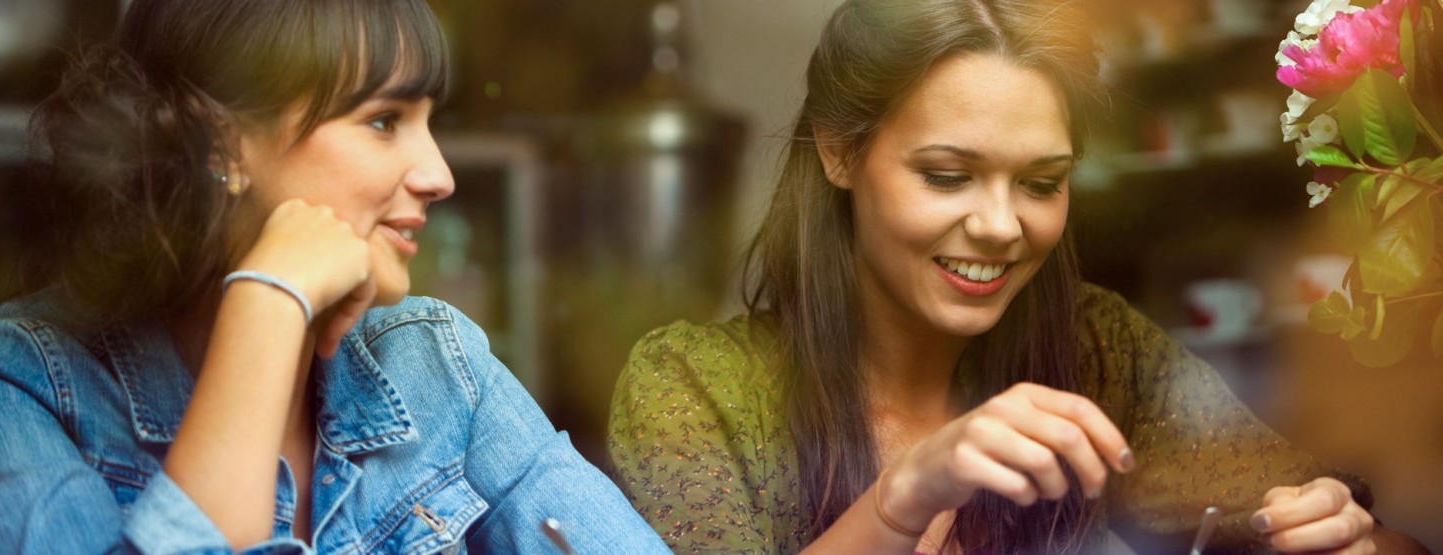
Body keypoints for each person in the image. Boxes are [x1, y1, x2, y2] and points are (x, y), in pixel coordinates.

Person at [606, 0, 1430, 553]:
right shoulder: (692, 386)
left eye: (1041, 183)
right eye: (947, 175)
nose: (1003, 226)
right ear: (840, 150)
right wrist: (909, 492)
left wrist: (1346, 533)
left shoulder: (1098, 348)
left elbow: (1346, 523)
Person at [0, 0, 668, 552]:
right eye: (385, 121)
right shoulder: (9, 391)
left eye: (430, 122)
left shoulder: (436, 363)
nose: (439, 175)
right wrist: (268, 305)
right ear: (221, 144)